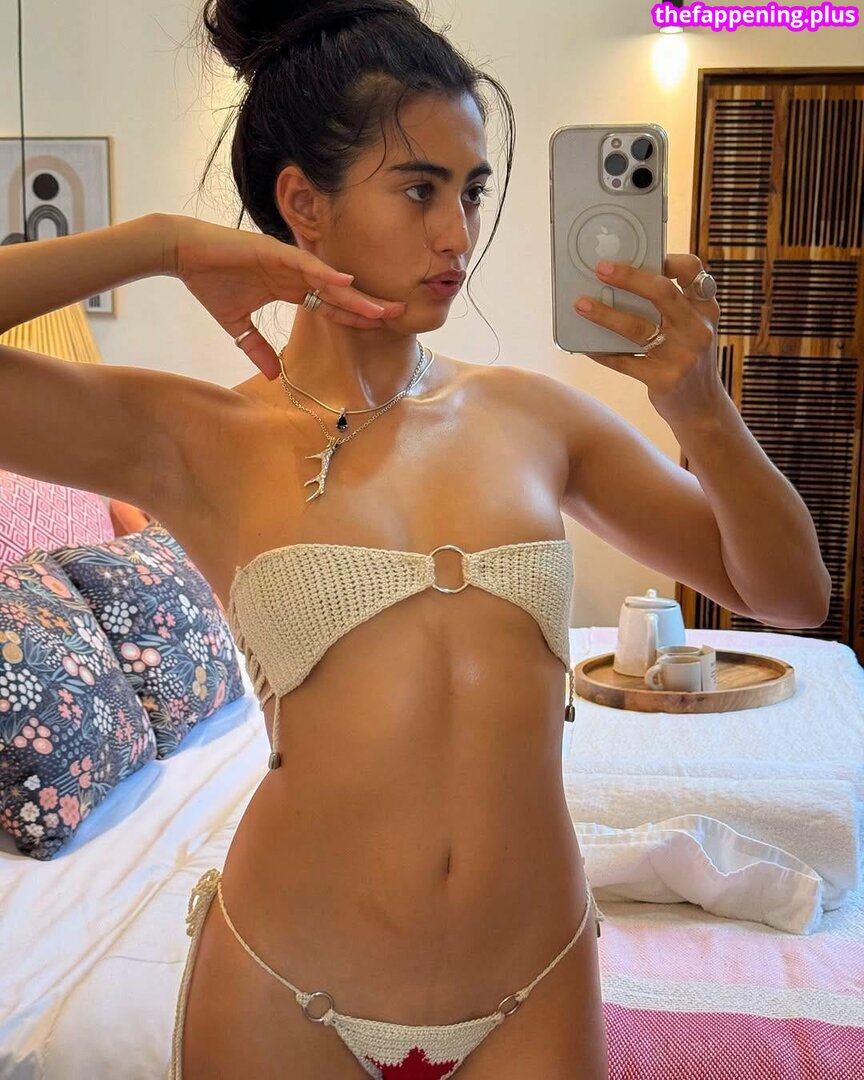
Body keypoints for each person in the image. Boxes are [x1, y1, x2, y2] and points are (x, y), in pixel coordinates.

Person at [0, 2, 831, 1077]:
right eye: (419, 189)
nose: (458, 233)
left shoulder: (537, 419)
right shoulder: (192, 439)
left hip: (532, 981)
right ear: (303, 203)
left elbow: (791, 596)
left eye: (471, 190)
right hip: (284, 985)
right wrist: (164, 244)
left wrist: (701, 405)